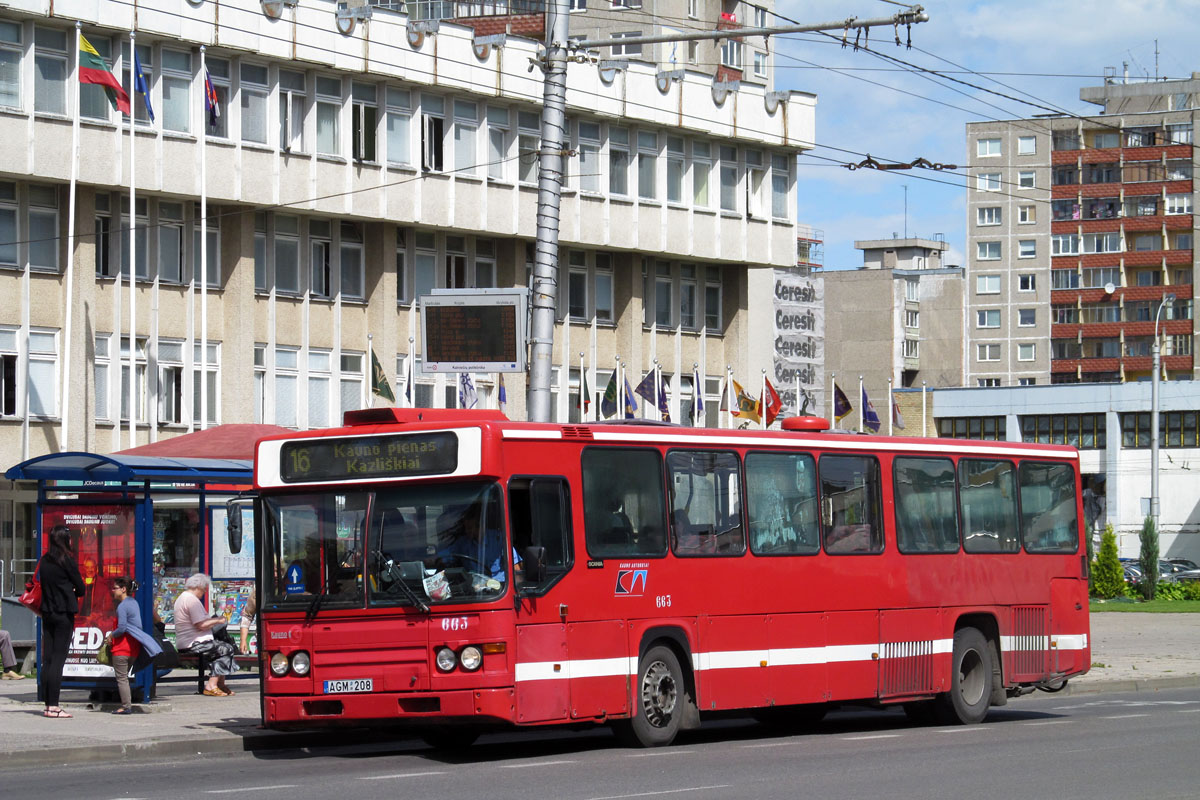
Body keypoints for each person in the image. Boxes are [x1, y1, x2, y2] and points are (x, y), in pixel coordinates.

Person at [39, 525, 85, 718]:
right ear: (65, 540)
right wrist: (72, 591)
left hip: (47, 612)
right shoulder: (66, 561)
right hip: (64, 613)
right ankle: (55, 706)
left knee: (49, 659)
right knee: (59, 659)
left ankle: (48, 704)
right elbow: (81, 588)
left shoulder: (44, 561)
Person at [173, 573, 239, 697]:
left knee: (223, 646)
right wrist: (218, 620)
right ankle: (211, 685)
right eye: (203, 589)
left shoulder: (182, 598)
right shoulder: (191, 600)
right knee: (226, 648)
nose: (203, 593)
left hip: (188, 642)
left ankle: (220, 684)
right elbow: (200, 625)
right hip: (194, 643)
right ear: (198, 586)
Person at [103, 577, 162, 715]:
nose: (113, 591)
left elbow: (122, 627)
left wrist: (111, 635)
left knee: (122, 679)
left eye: (115, 588)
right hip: (132, 650)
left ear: (123, 589)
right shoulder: (134, 603)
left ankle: (125, 706)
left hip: (121, 649)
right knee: (124, 678)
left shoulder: (122, 606)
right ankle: (126, 704)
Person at [438, 505, 520, 583]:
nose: (467, 531)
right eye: (465, 527)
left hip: (499, 587)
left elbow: (515, 566)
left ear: (480, 526)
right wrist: (433, 558)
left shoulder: (498, 539)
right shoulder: (463, 542)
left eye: (470, 528)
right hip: (474, 588)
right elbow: (446, 554)